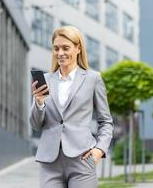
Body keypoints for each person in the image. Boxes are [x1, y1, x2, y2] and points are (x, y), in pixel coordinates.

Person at [29, 26, 113, 188]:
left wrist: (99, 150)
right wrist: (39, 102)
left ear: (78, 48)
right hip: (50, 162)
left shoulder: (92, 79)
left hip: (82, 159)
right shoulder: (45, 80)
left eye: (65, 48)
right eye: (56, 48)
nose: (60, 53)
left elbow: (106, 121)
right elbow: (36, 124)